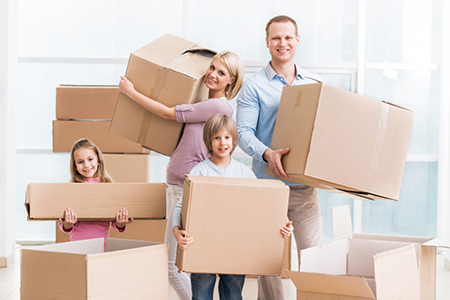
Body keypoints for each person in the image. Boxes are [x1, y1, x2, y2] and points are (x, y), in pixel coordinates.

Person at [119, 51, 245, 300]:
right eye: (212, 68)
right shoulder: (203, 102)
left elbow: (167, 113)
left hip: (185, 187)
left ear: (232, 80)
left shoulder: (217, 106)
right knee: (181, 265)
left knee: (173, 267)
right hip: (178, 185)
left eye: (222, 73)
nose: (213, 75)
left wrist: (130, 92)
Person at [236, 15, 323, 300]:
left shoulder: (314, 83)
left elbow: (323, 130)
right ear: (267, 42)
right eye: (276, 38)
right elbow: (244, 131)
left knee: (313, 258)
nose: (282, 43)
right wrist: (267, 153)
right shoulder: (253, 86)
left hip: (304, 189)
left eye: (287, 37)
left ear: (297, 41)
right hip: (268, 186)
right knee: (269, 263)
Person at [172, 114, 293, 300]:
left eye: (227, 137)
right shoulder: (199, 171)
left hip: (237, 247)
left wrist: (283, 223)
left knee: (233, 295)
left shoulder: (244, 173)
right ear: (209, 141)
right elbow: (181, 206)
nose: (222, 143)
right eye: (217, 138)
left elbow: (264, 202)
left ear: (234, 139)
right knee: (201, 295)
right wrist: (176, 231)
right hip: (204, 245)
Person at [58, 138, 133, 241]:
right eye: (80, 162)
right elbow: (63, 223)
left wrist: (120, 223)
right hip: (77, 244)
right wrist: (67, 224)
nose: (86, 165)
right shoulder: (72, 189)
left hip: (101, 245)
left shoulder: (108, 187)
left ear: (98, 160)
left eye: (90, 159)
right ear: (75, 166)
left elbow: (114, 219)